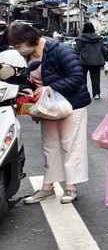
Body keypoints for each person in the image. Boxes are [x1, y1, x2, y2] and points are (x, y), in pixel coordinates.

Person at [12, 22, 91, 204]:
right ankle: (48, 186)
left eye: (18, 45)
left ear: (28, 39)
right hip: (47, 106)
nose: (17, 49)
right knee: (50, 145)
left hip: (71, 104)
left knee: (71, 145)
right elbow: (24, 79)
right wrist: (28, 89)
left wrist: (50, 88)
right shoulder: (27, 56)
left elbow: (77, 77)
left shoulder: (59, 50)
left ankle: (71, 187)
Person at [76, 22, 107, 100]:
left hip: (83, 61)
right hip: (96, 61)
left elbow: (77, 50)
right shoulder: (99, 38)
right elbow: (103, 49)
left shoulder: (80, 39)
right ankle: (96, 94)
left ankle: (84, 93)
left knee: (83, 78)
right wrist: (107, 58)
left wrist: (74, 59)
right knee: (96, 78)